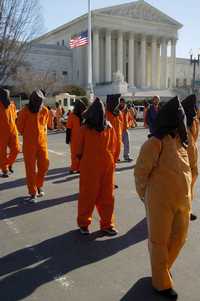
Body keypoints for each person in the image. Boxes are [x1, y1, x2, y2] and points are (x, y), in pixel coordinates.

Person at [134, 96, 191, 300]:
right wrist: (145, 197)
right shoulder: (154, 143)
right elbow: (140, 173)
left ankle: (162, 270)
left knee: (180, 238)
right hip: (159, 202)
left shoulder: (180, 142)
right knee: (159, 241)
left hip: (183, 203)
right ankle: (160, 283)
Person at [77, 98, 117, 236]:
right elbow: (78, 149)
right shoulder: (84, 129)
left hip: (105, 166)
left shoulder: (108, 127)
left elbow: (113, 146)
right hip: (91, 166)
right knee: (88, 195)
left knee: (107, 196)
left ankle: (107, 224)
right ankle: (83, 223)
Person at [16, 90, 49, 203]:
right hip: (29, 144)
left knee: (44, 165)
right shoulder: (24, 111)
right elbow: (19, 128)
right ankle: (33, 192)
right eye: (38, 101)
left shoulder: (44, 110)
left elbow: (45, 125)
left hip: (42, 143)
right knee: (30, 169)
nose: (40, 104)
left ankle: (38, 184)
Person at [182, 94, 199, 221]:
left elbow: (195, 136)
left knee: (189, 188)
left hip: (192, 160)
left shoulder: (193, 120)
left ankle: (187, 210)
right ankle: (182, 212)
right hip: (183, 161)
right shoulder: (180, 124)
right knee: (183, 188)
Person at [0, 88, 20, 177]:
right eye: (4, 95)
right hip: (1, 132)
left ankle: (8, 164)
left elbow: (15, 118)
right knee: (2, 152)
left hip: (13, 131)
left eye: (7, 95)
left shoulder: (12, 105)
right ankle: (4, 169)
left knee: (16, 149)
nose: (6, 97)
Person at [66, 99, 86, 174]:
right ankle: (78, 168)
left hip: (75, 138)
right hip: (80, 138)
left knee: (75, 154)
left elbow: (68, 128)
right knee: (80, 154)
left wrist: (67, 139)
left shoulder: (72, 115)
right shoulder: (83, 115)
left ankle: (74, 168)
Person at [106, 94, 122, 163]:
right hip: (109, 140)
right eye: (116, 104)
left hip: (118, 138)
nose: (117, 105)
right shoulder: (106, 114)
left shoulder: (118, 113)